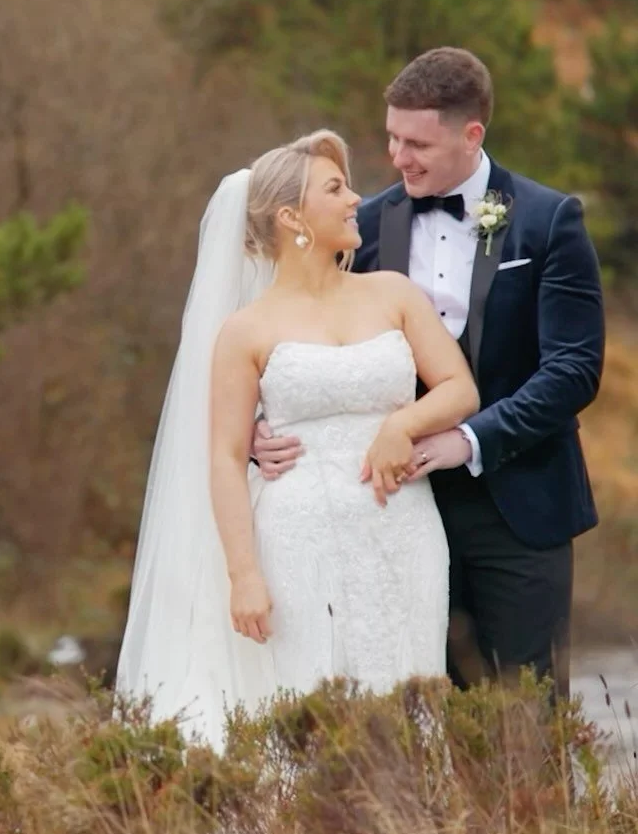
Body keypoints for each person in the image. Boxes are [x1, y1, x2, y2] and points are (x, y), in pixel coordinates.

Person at [254, 49, 605, 697]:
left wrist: (469, 440)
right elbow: (294, 334)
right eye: (392, 138)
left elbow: (574, 368)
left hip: (520, 504)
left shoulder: (548, 220)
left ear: (471, 135)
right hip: (393, 510)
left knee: (527, 714)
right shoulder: (362, 227)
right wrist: (260, 428)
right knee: (412, 707)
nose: (398, 157)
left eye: (416, 143)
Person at [116, 129, 478, 750]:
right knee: (310, 710)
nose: (356, 200)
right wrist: (244, 575)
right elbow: (226, 457)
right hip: (297, 542)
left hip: (402, 533)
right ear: (291, 218)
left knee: (409, 698)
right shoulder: (245, 330)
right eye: (336, 189)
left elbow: (459, 389)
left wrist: (401, 424)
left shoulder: (392, 293)